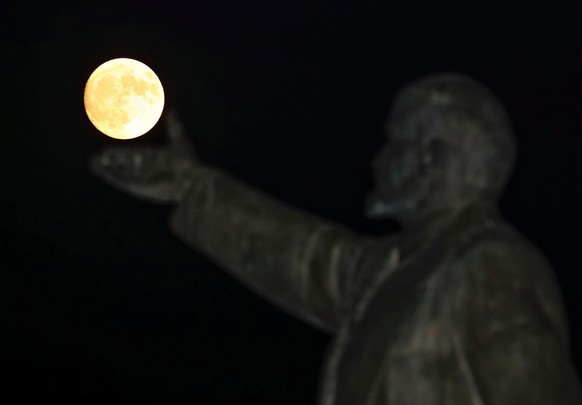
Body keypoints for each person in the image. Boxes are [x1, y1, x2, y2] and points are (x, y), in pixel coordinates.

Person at [90, 73, 582, 404]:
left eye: (393, 143)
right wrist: (191, 187)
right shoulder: (400, 268)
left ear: (431, 158)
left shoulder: (491, 267)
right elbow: (307, 257)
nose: (376, 161)